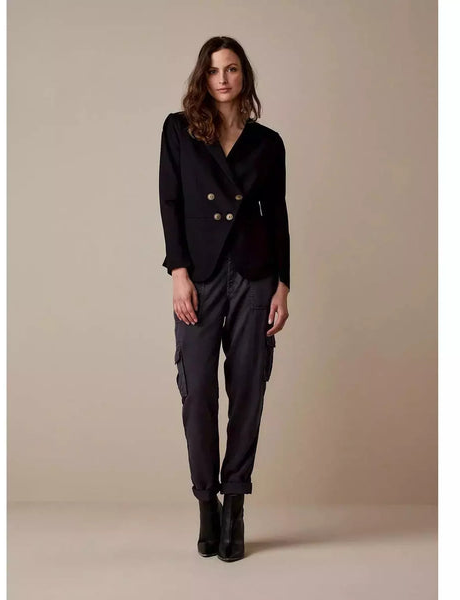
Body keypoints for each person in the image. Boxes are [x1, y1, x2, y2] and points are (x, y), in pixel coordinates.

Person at [158, 36, 291, 561]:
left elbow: (276, 214)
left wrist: (283, 283)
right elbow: (170, 202)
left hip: (255, 274)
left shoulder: (268, 142)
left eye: (232, 69)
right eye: (214, 70)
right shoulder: (180, 130)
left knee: (248, 389)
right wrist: (179, 273)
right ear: (203, 76)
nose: (222, 79)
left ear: (244, 76)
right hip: (201, 275)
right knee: (198, 393)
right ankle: (206, 505)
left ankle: (235, 503)